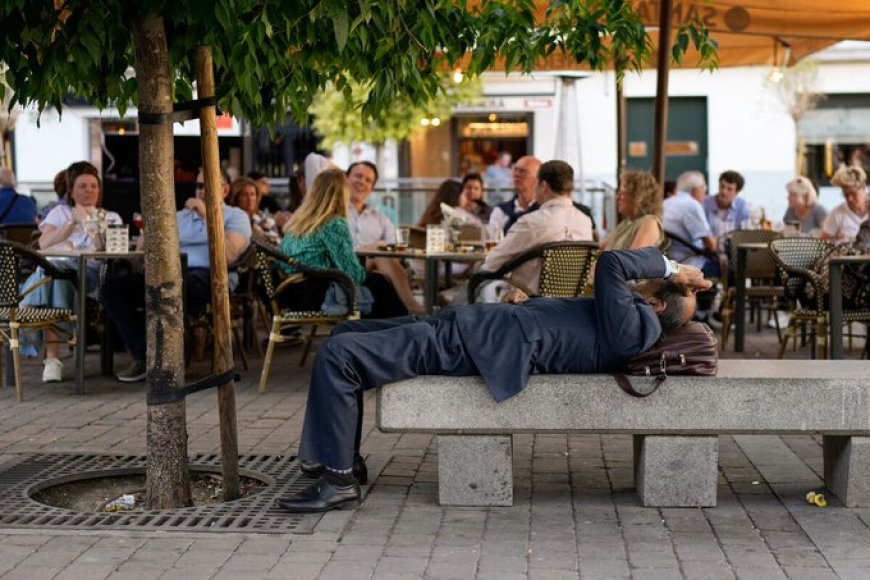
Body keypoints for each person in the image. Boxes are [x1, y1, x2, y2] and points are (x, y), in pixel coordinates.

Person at [274, 247, 712, 513]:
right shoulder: (630, 320)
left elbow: (613, 263)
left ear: (657, 307)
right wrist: (530, 302)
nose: (652, 285)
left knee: (337, 354)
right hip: (480, 329)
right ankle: (336, 460)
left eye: (660, 288)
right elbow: (573, 325)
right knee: (347, 333)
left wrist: (676, 271)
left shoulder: (641, 325)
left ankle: (337, 482)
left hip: (476, 344)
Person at [102, 167, 252, 382]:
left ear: (225, 190)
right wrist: (148, 227)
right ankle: (144, 356)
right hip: (170, 274)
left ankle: (167, 362)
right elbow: (144, 253)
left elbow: (228, 255)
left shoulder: (236, 216)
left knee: (169, 288)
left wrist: (207, 214)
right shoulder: (179, 216)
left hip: (210, 278)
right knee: (113, 288)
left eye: (209, 185)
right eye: (199, 185)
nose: (202, 190)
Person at [21, 162, 122, 382]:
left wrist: (94, 229)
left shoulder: (110, 216)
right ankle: (53, 357)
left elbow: (110, 251)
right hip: (59, 273)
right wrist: (71, 224)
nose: (89, 190)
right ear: (71, 191)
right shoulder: (60, 212)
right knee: (57, 276)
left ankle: (28, 310)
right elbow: (43, 244)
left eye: (94, 186)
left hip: (91, 275)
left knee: (51, 274)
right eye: (83, 186)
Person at [278, 168, 407, 319]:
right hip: (318, 297)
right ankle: (401, 327)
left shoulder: (298, 221)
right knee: (378, 282)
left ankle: (392, 329)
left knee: (376, 283)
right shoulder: (333, 223)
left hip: (292, 294)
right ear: (343, 194)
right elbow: (352, 274)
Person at [477, 160, 593, 301]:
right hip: (569, 305)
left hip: (526, 303)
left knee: (478, 286)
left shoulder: (531, 222)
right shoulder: (585, 222)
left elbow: (491, 265)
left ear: (543, 186)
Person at [347, 161, 423, 314]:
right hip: (346, 265)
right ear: (346, 178)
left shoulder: (379, 217)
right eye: (358, 176)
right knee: (379, 250)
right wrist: (373, 248)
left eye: (368, 180)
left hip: (374, 269)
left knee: (382, 260)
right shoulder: (335, 212)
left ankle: (404, 315)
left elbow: (394, 245)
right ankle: (415, 309)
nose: (362, 182)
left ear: (372, 188)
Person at [663, 171, 717, 269]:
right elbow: (710, 245)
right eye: (704, 189)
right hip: (689, 263)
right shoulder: (692, 205)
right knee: (729, 267)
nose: (705, 194)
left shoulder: (665, 203)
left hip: (667, 263)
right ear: (696, 190)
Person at [601, 171, 665, 251]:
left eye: (622, 194)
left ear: (638, 197)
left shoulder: (650, 222)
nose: (617, 198)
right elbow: (602, 247)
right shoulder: (627, 222)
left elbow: (632, 260)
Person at [488, 156, 541, 232]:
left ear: (538, 178)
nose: (516, 174)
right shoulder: (500, 211)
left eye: (523, 171)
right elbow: (493, 239)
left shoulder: (545, 211)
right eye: (515, 170)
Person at [822, 165, 868, 244]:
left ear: (863, 188)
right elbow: (823, 243)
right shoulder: (837, 214)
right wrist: (836, 242)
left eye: (853, 193)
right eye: (846, 194)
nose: (849, 199)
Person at [230, 176, 279, 244]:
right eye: (244, 195)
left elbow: (277, 244)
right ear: (236, 198)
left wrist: (264, 237)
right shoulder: (231, 220)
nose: (249, 199)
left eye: (252, 194)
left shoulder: (265, 219)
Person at [703, 170, 750, 238]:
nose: (724, 191)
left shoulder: (742, 206)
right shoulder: (705, 203)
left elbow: (745, 235)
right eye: (722, 186)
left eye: (729, 189)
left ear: (737, 192)